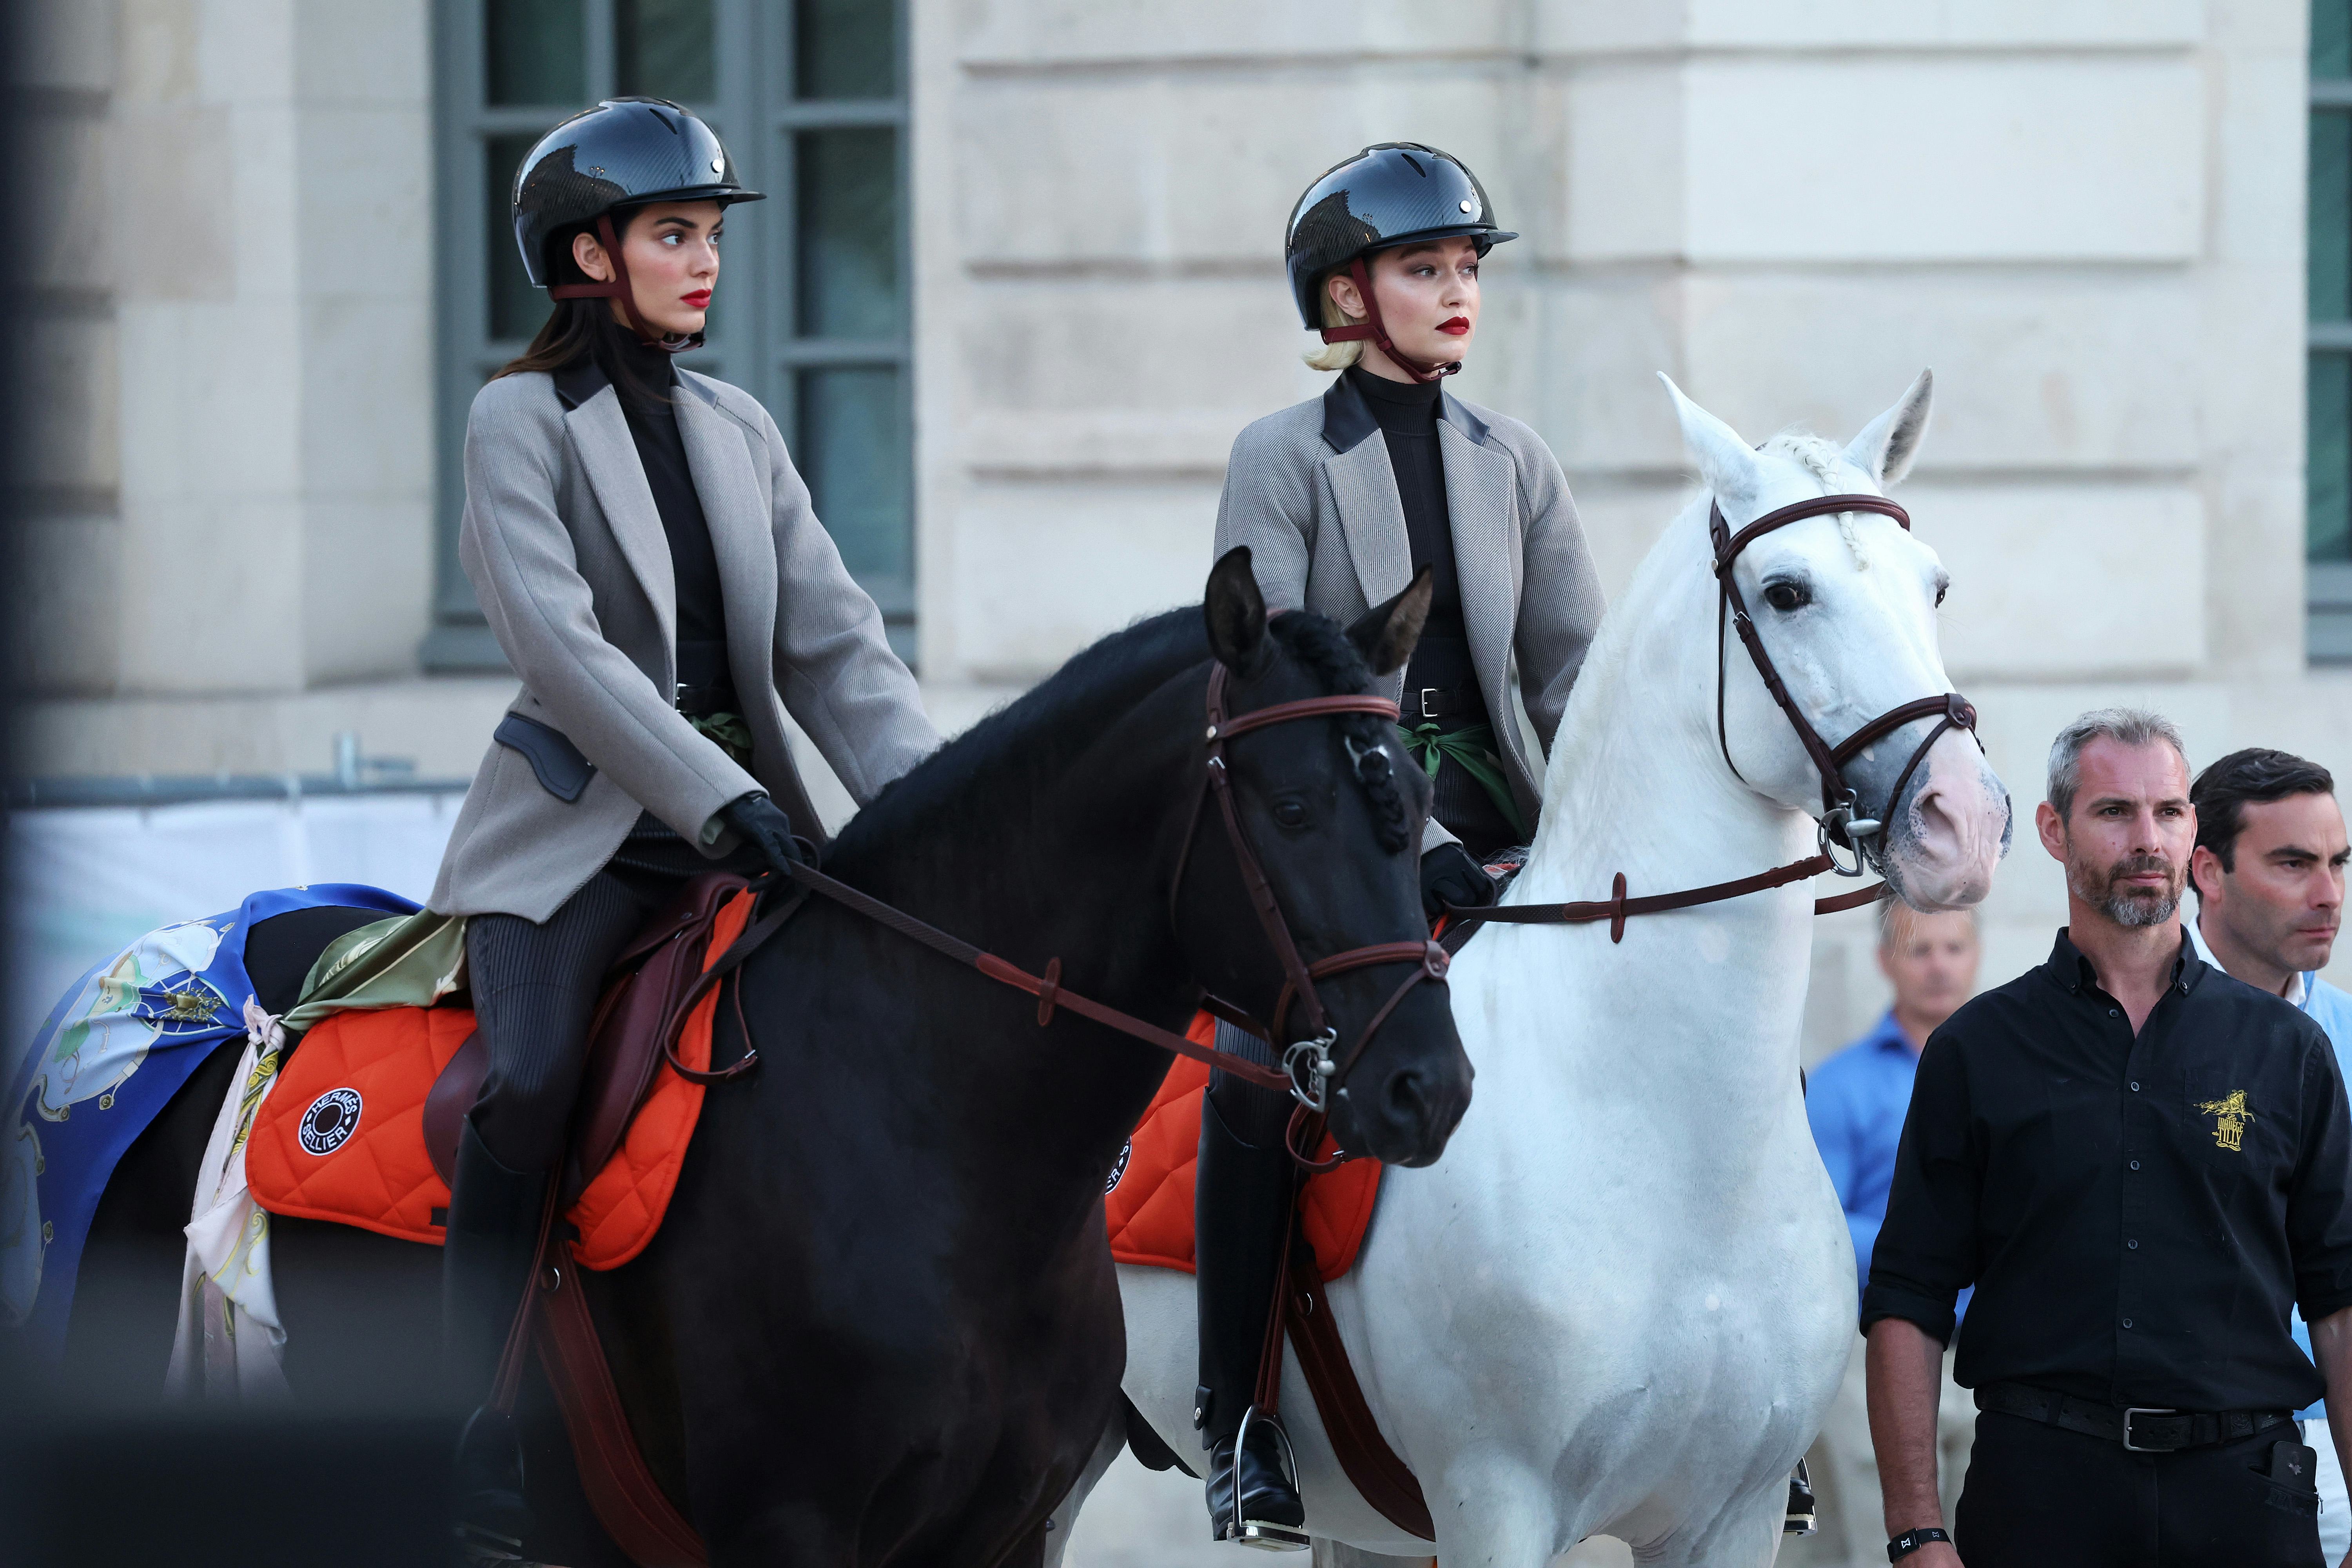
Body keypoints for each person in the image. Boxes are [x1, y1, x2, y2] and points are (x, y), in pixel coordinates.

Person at [425, 98, 939, 1559]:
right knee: (523, 1084)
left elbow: (840, 650)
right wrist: (725, 800)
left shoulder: (739, 425)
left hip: (750, 831)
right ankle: (468, 1432)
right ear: (589, 254)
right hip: (579, 840)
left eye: (711, 237)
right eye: (673, 236)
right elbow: (566, 655)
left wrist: (936, 815)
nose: (705, 264)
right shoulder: (513, 420)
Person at [1191, 142, 1606, 1547]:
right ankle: (1237, 1419)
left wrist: (1623, 849)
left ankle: (1730, 1402)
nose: (1457, 291)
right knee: (1254, 1074)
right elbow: (1277, 690)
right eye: (1427, 268)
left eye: (1468, 268)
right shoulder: (1283, 458)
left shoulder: (1518, 461)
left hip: (1520, 853)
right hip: (1345, 862)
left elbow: (1574, 683)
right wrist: (1415, 844)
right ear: (1346, 296)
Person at [1864, 709, 2352, 1568]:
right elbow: (1908, 1295)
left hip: (2249, 1500)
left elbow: (2342, 1296)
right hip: (2040, 1497)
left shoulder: (2289, 1049)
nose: (2147, 838)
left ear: (2194, 829)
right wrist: (1916, 1528)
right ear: (2054, 830)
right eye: (2114, 811)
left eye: (2168, 812)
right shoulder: (1978, 1049)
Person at [2186, 747, 2352, 1561]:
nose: (2329, 895)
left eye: (2338, 863)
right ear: (2207, 871)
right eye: (2294, 863)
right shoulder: (2114, 1026)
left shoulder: (2351, 1035)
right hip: (2173, 1460)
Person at [1802, 903, 1981, 1563]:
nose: (1939, 965)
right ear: (1885, 961)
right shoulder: (1840, 1086)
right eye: (1920, 949)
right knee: (1887, 1550)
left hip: (1989, 1350)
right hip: (1874, 1352)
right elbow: (1818, 1225)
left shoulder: (2005, 1077)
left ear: (1975, 957)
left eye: (1953, 947)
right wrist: (1937, 1249)